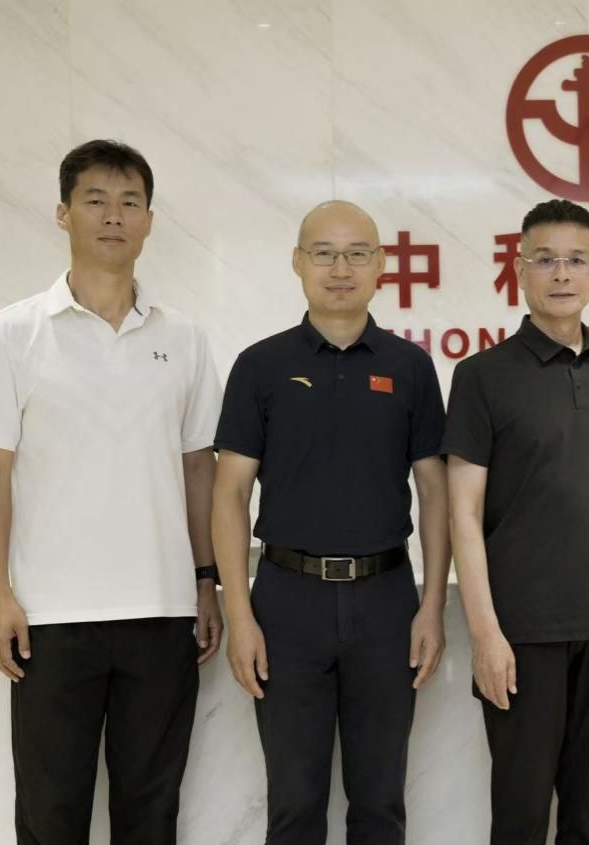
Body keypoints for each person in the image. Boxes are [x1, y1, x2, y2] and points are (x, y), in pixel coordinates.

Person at [0, 139, 223, 845]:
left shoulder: (184, 339)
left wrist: (206, 582)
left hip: (163, 613)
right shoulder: (11, 333)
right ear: (62, 213)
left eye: (130, 202)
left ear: (150, 220)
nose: (113, 216)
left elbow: (200, 470)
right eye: (96, 200)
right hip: (50, 619)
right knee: (51, 816)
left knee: (151, 815)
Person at [212, 200, 449, 845]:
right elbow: (229, 494)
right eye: (324, 253)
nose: (340, 269)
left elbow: (434, 491)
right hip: (287, 603)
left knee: (380, 802)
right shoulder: (260, 366)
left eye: (356, 254)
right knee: (294, 804)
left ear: (380, 264)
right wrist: (240, 615)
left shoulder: (409, 367)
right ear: (298, 262)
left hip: (386, 601)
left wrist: (431, 607)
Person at [444, 198, 589, 844]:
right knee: (521, 816)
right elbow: (462, 512)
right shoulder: (482, 376)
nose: (561, 274)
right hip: (522, 633)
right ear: (518, 269)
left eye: (576, 260)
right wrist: (485, 633)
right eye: (544, 260)